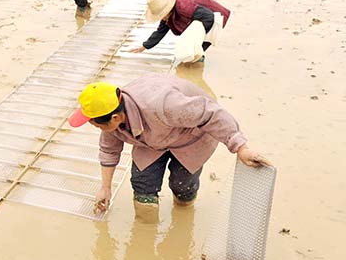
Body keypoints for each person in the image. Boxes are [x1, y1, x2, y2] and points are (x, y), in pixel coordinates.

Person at [67, 75, 270, 222]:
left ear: (115, 117)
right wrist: (106, 187)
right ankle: (145, 236)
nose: (96, 128)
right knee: (142, 186)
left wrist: (240, 147)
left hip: (191, 138)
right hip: (150, 140)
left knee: (182, 186)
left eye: (95, 124)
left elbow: (212, 115)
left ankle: (183, 214)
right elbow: (109, 150)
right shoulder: (111, 116)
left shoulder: (165, 105)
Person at [128, 0, 231, 62]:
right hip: (201, 19)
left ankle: (196, 67)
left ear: (167, 10)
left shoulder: (184, 7)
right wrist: (144, 46)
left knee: (194, 49)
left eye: (160, 15)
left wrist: (196, 40)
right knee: (191, 49)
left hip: (215, 16)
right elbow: (160, 32)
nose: (161, 18)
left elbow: (208, 16)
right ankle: (194, 62)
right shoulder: (167, 17)